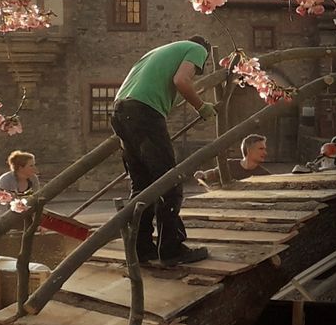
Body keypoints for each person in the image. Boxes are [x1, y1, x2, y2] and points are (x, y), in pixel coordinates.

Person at [110, 35, 217, 268]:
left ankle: (141, 249)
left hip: (120, 111)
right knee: (170, 181)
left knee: (142, 185)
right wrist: (201, 106)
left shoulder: (156, 52)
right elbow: (181, 80)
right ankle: (171, 249)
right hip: (144, 113)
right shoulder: (197, 49)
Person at [0, 150, 40, 224]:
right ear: (20, 168)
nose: (34, 168)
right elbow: (1, 206)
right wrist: (2, 225)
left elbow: (36, 200)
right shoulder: (5, 180)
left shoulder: (33, 179)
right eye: (31, 166)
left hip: (24, 218)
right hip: (1, 220)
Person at [194, 133, 269, 186]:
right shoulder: (229, 165)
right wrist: (202, 175)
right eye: (261, 149)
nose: (265, 153)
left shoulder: (265, 175)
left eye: (265, 149)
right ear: (249, 150)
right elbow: (213, 173)